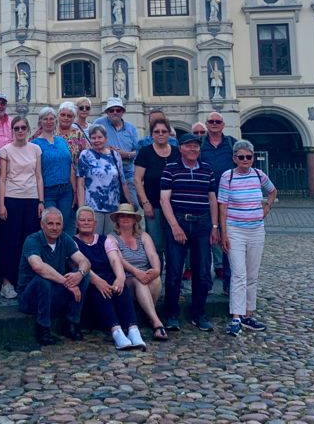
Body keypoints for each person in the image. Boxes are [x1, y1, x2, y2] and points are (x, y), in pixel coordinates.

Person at [160, 133, 219, 332]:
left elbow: (212, 199)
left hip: (202, 224)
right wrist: (175, 226)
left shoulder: (207, 170)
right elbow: (164, 200)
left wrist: (214, 226)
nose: (193, 150)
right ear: (181, 149)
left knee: (202, 272)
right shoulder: (170, 169)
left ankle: (198, 314)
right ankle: (172, 314)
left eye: (196, 147)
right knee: (175, 272)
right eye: (189, 146)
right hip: (179, 221)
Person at [218, 140, 277, 336]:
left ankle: (248, 314)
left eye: (249, 157)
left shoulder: (259, 175)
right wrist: (223, 232)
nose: (245, 160)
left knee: (252, 275)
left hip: (256, 231)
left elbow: (273, 191)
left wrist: (267, 206)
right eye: (241, 157)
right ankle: (236, 316)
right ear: (234, 158)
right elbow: (223, 206)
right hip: (235, 230)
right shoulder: (228, 176)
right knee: (239, 274)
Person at [73, 206, 145, 350]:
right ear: (77, 224)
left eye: (89, 220)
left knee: (120, 286)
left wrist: (120, 277)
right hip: (89, 280)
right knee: (100, 288)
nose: (86, 223)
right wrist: (98, 281)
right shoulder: (72, 242)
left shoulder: (105, 240)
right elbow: (79, 264)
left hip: (108, 276)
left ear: (95, 224)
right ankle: (116, 331)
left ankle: (133, 329)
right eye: (82, 220)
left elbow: (114, 260)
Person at [17, 208, 91, 345]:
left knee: (85, 276)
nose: (55, 228)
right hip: (30, 298)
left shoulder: (64, 238)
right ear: (42, 225)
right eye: (50, 224)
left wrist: (79, 275)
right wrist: (67, 283)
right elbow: (38, 266)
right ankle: (43, 328)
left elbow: (85, 261)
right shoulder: (32, 240)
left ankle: (71, 323)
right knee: (42, 280)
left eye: (58, 224)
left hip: (54, 293)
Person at [0, 116, 44, 300]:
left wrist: (41, 201)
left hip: (31, 198)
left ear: (28, 129)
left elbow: (38, 176)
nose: (20, 131)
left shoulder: (36, 149)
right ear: (12, 130)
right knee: (11, 242)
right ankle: (7, 282)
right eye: (17, 128)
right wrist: (1, 204)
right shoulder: (5, 150)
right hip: (12, 198)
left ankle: (26, 281)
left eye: (23, 127)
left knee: (29, 240)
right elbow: (3, 178)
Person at [111, 203, 166, 340]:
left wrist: (156, 270)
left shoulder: (143, 236)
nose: (125, 218)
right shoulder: (112, 238)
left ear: (135, 220)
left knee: (156, 279)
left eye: (129, 216)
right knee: (139, 281)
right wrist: (136, 272)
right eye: (122, 216)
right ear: (117, 219)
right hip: (127, 278)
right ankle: (156, 322)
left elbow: (153, 255)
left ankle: (146, 315)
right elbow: (118, 259)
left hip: (145, 275)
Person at [199, 113, 236, 287]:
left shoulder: (232, 143)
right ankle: (205, 283)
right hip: (206, 197)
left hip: (229, 199)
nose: (214, 124)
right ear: (206, 124)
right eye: (211, 122)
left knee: (229, 240)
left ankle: (229, 283)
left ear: (223, 124)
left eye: (218, 122)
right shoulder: (200, 144)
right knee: (206, 240)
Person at [133, 116, 175, 270]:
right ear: (152, 135)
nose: (161, 134)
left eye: (164, 131)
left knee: (174, 245)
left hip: (175, 207)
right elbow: (137, 180)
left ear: (169, 133)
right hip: (154, 206)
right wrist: (145, 203)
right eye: (157, 131)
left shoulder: (177, 152)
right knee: (156, 246)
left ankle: (175, 283)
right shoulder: (145, 153)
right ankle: (157, 281)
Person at [76, 125, 131, 237]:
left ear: (106, 138)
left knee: (111, 241)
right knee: (93, 239)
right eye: (93, 138)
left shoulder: (115, 155)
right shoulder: (85, 155)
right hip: (93, 207)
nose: (96, 140)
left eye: (99, 137)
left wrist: (129, 202)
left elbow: (123, 181)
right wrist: (82, 209)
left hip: (113, 207)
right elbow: (80, 184)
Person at [32, 107, 75, 233]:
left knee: (65, 225)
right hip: (48, 191)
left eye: (52, 119)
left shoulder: (62, 141)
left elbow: (70, 165)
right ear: (40, 122)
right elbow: (37, 172)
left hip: (66, 190)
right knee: (51, 226)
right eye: (45, 119)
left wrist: (75, 190)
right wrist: (40, 199)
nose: (49, 121)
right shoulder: (35, 143)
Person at [92, 97, 140, 208]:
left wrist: (126, 154)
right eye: (111, 110)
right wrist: (107, 151)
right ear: (107, 112)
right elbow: (92, 143)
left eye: (118, 110)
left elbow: (137, 151)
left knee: (133, 206)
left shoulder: (131, 128)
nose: (114, 113)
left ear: (123, 112)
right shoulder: (99, 123)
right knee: (110, 207)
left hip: (127, 173)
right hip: (106, 174)